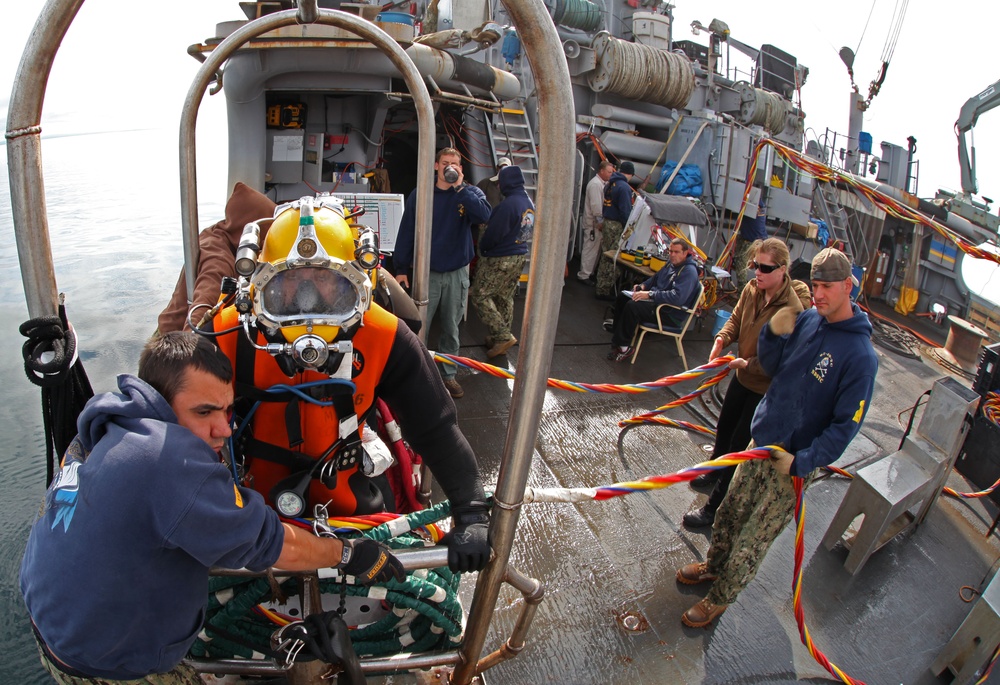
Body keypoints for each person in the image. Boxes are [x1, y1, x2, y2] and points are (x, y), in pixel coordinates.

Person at [20, 332, 405, 683]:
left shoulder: (109, 425)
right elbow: (275, 545)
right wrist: (348, 552)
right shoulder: (170, 460)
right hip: (104, 661)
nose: (225, 429)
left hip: (49, 622)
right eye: (204, 413)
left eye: (227, 410)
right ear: (163, 400)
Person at [209, 196, 491, 571]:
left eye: (325, 279)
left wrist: (470, 509)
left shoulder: (383, 334)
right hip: (253, 514)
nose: (307, 297)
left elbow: (435, 427)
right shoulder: (228, 332)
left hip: (351, 513)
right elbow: (178, 424)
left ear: (355, 280)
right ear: (260, 282)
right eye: (291, 280)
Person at [676, 247, 878, 628]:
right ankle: (713, 567)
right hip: (761, 443)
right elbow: (772, 365)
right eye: (815, 285)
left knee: (752, 540)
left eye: (827, 287)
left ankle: (719, 599)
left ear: (848, 286)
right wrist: (773, 332)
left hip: (792, 464)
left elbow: (845, 425)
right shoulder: (809, 322)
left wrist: (804, 461)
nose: (817, 295)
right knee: (731, 513)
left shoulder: (860, 357)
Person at [682, 238, 812, 528]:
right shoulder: (753, 289)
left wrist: (748, 364)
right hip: (741, 378)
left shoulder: (791, 309)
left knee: (740, 444)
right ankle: (714, 468)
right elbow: (737, 318)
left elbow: (781, 361)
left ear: (783, 269)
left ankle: (713, 507)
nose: (758, 273)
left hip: (762, 390)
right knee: (725, 428)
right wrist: (722, 338)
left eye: (765, 268)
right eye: (755, 266)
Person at [393, 148, 493, 399]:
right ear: (436, 166)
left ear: (461, 169)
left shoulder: (469, 193)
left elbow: (483, 216)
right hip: (427, 273)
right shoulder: (421, 194)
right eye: (445, 163)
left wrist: (460, 188)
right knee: (419, 327)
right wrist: (401, 268)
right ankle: (417, 376)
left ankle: (448, 375)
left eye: (455, 165)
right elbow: (407, 230)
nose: (450, 167)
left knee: (451, 327)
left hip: (456, 273)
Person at [471, 165, 534, 358]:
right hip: (518, 254)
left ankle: (503, 335)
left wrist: (484, 249)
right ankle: (499, 338)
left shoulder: (507, 205)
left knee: (479, 295)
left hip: (500, 257)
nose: (498, 186)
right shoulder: (527, 202)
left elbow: (493, 235)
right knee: (504, 296)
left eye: (500, 182)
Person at [606, 238, 700, 363]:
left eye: (676, 252)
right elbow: (655, 278)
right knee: (623, 297)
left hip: (669, 312)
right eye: (670, 251)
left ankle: (624, 347)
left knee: (633, 306)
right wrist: (643, 286)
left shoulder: (689, 272)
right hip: (658, 302)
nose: (672, 255)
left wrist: (650, 294)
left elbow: (677, 298)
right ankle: (618, 339)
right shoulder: (671, 263)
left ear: (685, 253)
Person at [594, 161, 636, 299]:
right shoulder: (624, 187)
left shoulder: (610, 184)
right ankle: (605, 289)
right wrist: (628, 227)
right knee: (614, 257)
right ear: (630, 174)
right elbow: (625, 210)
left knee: (605, 255)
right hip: (616, 225)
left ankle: (600, 285)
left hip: (607, 222)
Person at [576, 160, 614, 284]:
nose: (610, 174)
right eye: (609, 172)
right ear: (601, 171)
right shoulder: (596, 185)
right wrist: (600, 221)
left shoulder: (601, 184)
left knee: (595, 250)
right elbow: (596, 205)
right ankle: (584, 275)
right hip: (593, 224)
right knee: (590, 249)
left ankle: (589, 272)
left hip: (595, 223)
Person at [732, 199, 767, 292]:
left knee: (741, 269)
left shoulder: (753, 204)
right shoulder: (760, 203)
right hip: (753, 238)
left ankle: (742, 294)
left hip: (751, 241)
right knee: (739, 263)